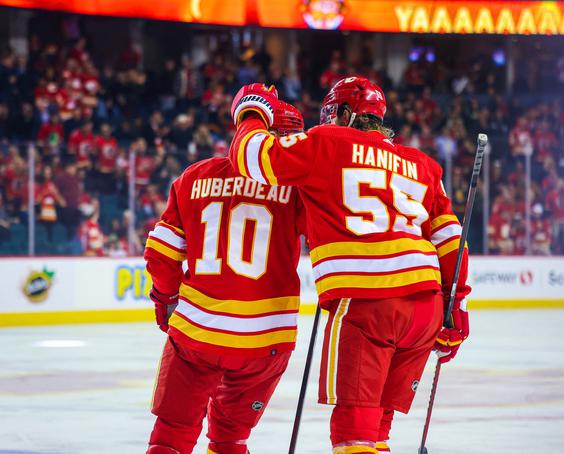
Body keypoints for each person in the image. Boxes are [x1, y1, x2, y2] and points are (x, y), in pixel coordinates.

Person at [229, 79, 471, 453]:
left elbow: (251, 158)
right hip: (425, 310)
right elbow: (450, 239)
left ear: (345, 113)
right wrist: (455, 308)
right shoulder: (422, 165)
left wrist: (251, 110)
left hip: (367, 305)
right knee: (378, 427)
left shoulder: (326, 140)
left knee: (354, 428)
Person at [144, 102, 306, 454]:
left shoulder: (193, 177)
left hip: (198, 331)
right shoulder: (297, 187)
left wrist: (166, 299)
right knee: (231, 438)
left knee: (172, 433)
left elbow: (161, 255)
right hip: (266, 338)